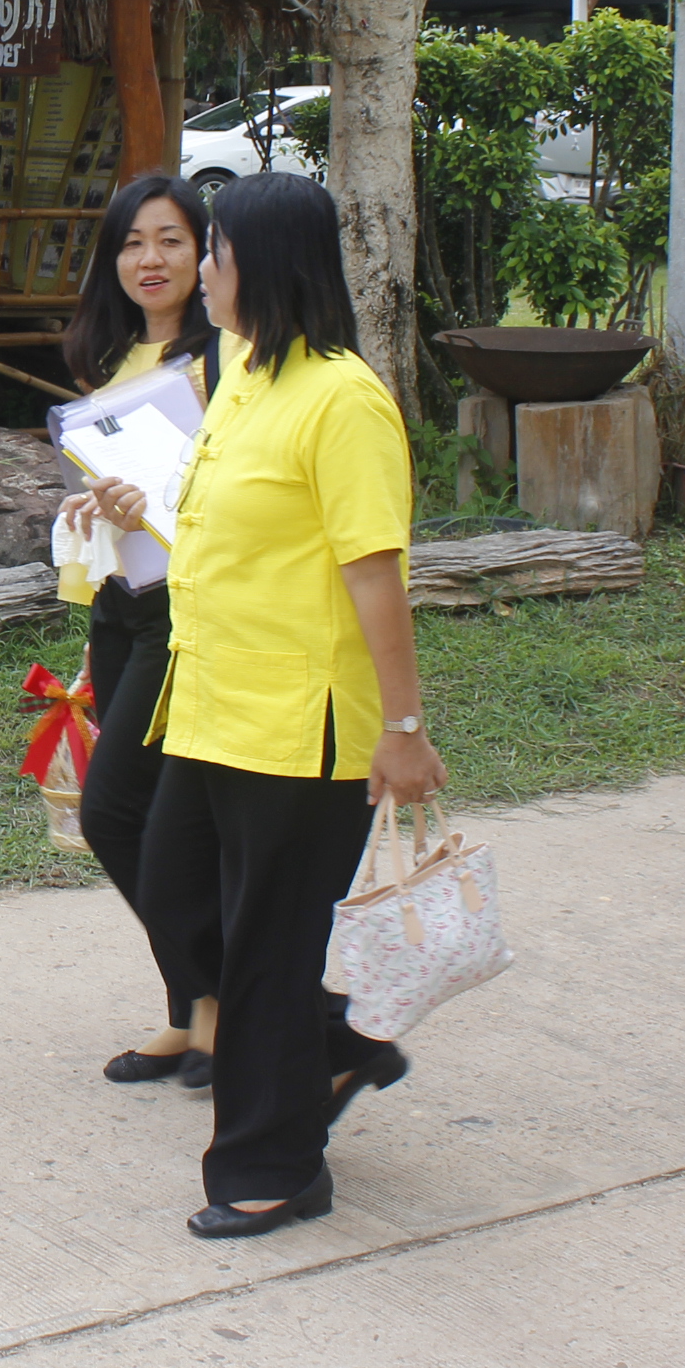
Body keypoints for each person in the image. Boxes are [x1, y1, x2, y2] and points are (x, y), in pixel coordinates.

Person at [81, 175, 442, 1239]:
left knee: (268, 949)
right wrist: (143, 513)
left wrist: (404, 728)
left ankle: (274, 1164)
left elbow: (375, 573)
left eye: (217, 253)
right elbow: (228, 535)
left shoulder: (342, 399)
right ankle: (335, 1044)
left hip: (300, 722)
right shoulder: (243, 378)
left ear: (265, 267)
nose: (203, 272)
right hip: (211, 702)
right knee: (178, 884)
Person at [52, 172, 220, 1090]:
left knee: (121, 812)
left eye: (170, 241)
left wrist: (148, 498)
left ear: (205, 255)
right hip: (120, 604)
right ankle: (190, 1009)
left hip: (184, 607)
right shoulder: (109, 361)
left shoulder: (223, 362)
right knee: (144, 818)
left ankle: (215, 1004)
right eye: (131, 243)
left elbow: (218, 497)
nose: (149, 260)